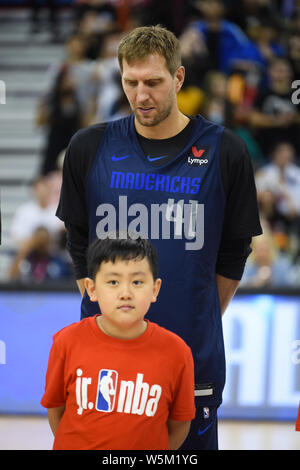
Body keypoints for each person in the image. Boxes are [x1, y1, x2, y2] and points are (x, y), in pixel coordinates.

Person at [56, 25, 262, 450]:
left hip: (192, 356)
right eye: (131, 83)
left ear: (179, 78)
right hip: (105, 367)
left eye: (153, 82)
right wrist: (102, 305)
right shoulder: (88, 147)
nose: (141, 95)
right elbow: (78, 239)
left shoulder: (226, 152)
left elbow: (234, 253)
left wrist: (196, 310)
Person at [41, 235, 196, 450]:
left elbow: (179, 425)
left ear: (155, 289)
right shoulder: (66, 342)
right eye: (113, 282)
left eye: (137, 282)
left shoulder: (178, 352)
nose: (125, 293)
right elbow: (56, 410)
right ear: (92, 289)